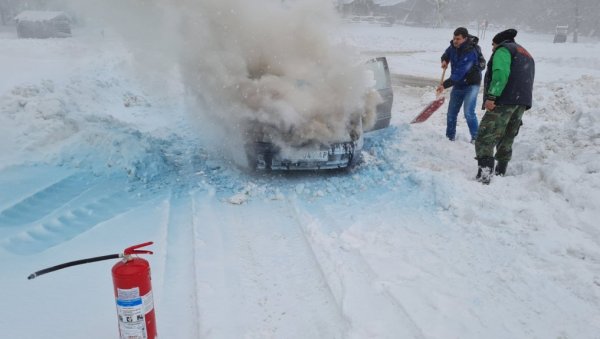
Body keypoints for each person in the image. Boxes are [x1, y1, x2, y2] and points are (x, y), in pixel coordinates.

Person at [474, 28, 535, 184]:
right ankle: (501, 171)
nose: (492, 48)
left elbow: (501, 73)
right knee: (507, 136)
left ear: (499, 42)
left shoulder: (504, 49)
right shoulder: (525, 53)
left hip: (504, 99)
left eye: (493, 45)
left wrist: (492, 96)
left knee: (486, 135)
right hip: (521, 101)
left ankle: (485, 175)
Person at [437, 27, 483, 143]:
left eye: (458, 39)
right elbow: (447, 54)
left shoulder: (471, 52)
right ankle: (449, 137)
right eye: (454, 38)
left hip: (471, 85)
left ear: (465, 39)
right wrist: (444, 60)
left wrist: (444, 85)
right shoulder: (453, 46)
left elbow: (459, 73)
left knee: (468, 112)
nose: (455, 41)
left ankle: (476, 138)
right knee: (451, 113)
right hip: (458, 85)